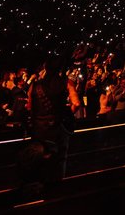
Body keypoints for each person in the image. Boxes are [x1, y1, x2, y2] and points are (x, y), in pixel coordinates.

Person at [20, 55, 80, 197]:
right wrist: (66, 114)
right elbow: (76, 103)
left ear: (45, 68)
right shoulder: (67, 82)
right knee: (60, 159)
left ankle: (38, 188)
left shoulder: (35, 85)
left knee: (39, 160)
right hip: (58, 128)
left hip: (39, 130)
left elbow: (29, 107)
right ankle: (57, 190)